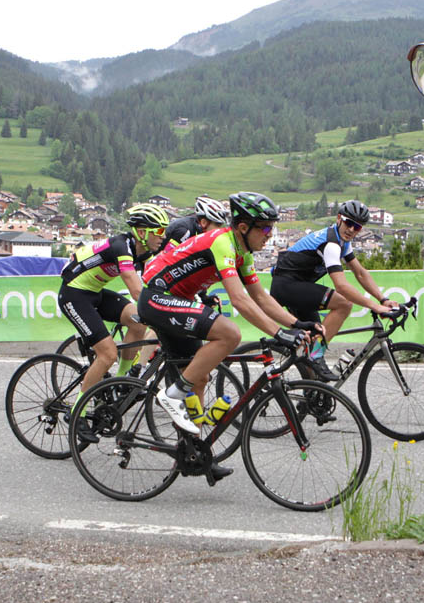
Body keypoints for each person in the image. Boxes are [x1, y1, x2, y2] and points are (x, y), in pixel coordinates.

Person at [138, 191, 318, 460]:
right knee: (229, 334)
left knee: (200, 376)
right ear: (243, 228)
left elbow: (260, 297)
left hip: (178, 299)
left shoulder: (242, 253)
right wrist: (280, 334)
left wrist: (296, 323)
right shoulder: (222, 241)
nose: (270, 234)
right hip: (157, 298)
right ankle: (172, 394)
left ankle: (193, 453)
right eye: (266, 228)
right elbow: (239, 300)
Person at [270, 199, 399, 381]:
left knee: (313, 342)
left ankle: (310, 394)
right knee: (343, 304)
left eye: (358, 227)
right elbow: (342, 287)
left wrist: (383, 299)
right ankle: (315, 356)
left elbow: (360, 273)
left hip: (298, 286)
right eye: (349, 223)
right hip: (287, 286)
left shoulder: (342, 241)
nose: (352, 230)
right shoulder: (331, 244)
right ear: (339, 218)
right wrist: (375, 306)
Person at [58, 203, 168, 395]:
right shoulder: (121, 247)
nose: (163, 236)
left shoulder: (143, 252)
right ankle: (78, 412)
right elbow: (136, 291)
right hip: (73, 294)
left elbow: (151, 283)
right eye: (159, 231)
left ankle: (122, 380)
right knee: (107, 354)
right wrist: (163, 313)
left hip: (94, 292)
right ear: (141, 232)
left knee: (137, 321)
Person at [163, 195, 229, 248]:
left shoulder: (197, 228)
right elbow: (166, 257)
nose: (219, 230)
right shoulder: (184, 231)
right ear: (204, 223)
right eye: (217, 225)